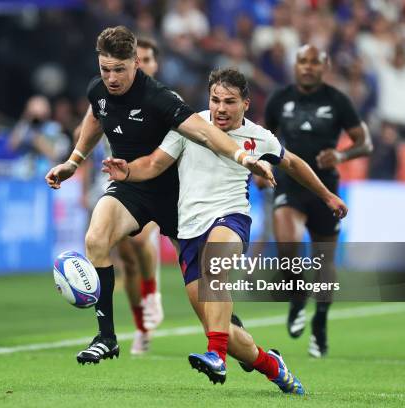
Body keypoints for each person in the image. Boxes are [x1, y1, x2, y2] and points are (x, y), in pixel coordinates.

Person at [103, 67, 347, 393]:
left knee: (214, 265)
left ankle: (215, 356)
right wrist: (128, 171)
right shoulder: (189, 125)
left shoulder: (260, 137)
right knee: (226, 333)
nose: (220, 108)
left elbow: (293, 164)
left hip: (231, 219)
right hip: (189, 231)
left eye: (229, 102)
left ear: (246, 103)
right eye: (215, 100)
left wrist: (327, 195)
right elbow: (154, 164)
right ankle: (274, 366)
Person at [45, 26, 273, 365]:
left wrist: (243, 157)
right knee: (96, 238)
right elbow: (96, 118)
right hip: (130, 185)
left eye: (119, 69)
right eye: (105, 68)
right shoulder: (99, 90)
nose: (111, 77)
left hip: (175, 195)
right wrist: (73, 161)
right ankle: (106, 337)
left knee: (203, 295)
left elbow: (207, 134)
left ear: (136, 63)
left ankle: (237, 343)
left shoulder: (160, 97)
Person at [264, 44, 372, 357]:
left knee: (325, 263)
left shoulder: (338, 101)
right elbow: (260, 139)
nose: (308, 67)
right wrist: (263, 166)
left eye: (314, 62)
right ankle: (298, 298)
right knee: (287, 248)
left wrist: (341, 154)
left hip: (326, 188)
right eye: (302, 61)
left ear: (324, 66)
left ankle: (321, 322)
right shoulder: (279, 99)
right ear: (294, 65)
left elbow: (364, 142)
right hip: (289, 183)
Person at [115, 37, 165, 355]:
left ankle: (152, 293)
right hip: (120, 185)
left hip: (157, 186)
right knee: (128, 263)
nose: (143, 64)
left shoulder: (164, 101)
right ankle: (141, 327)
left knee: (137, 240)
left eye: (148, 59)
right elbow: (89, 133)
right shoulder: (111, 97)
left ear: (155, 65)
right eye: (138, 60)